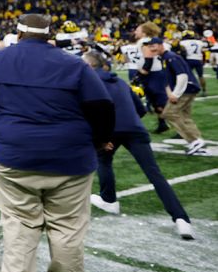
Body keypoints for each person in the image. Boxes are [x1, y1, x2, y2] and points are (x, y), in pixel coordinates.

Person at [0, 13, 114, 272]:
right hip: (70, 157)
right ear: (50, 36)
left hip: (14, 155)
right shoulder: (75, 64)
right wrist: (98, 140)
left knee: (20, 228)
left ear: (19, 33)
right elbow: (103, 107)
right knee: (67, 231)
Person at [83, 51, 194, 239]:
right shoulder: (120, 82)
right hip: (135, 129)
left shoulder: (89, 83)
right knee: (154, 174)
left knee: (103, 160)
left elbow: (89, 113)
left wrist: (101, 138)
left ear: (89, 66)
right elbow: (141, 110)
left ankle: (109, 200)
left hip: (110, 130)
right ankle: (181, 219)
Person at [141, 37, 206, 155]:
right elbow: (167, 78)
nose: (151, 48)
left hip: (186, 88)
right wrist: (169, 91)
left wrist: (175, 94)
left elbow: (182, 76)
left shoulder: (171, 57)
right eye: (150, 46)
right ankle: (197, 141)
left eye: (153, 45)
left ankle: (194, 140)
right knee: (185, 116)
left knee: (169, 113)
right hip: (187, 88)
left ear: (161, 45)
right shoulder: (164, 58)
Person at [177, 30, 207, 95]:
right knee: (201, 76)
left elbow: (182, 52)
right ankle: (204, 90)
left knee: (186, 76)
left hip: (189, 60)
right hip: (198, 60)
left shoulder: (182, 42)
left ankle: (188, 90)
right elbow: (203, 50)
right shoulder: (199, 42)